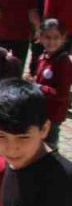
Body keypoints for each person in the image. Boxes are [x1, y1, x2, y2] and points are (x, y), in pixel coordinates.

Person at [32, 19, 71, 148]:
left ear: (63, 38)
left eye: (56, 37)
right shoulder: (43, 56)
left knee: (49, 146)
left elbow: (62, 93)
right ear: (41, 37)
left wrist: (39, 87)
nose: (51, 41)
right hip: (42, 110)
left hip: (53, 115)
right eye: (47, 37)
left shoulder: (63, 62)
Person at [0, 0, 40, 68]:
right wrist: (38, 29)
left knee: (1, 62)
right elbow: (32, 15)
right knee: (19, 63)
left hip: (4, 33)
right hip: (22, 34)